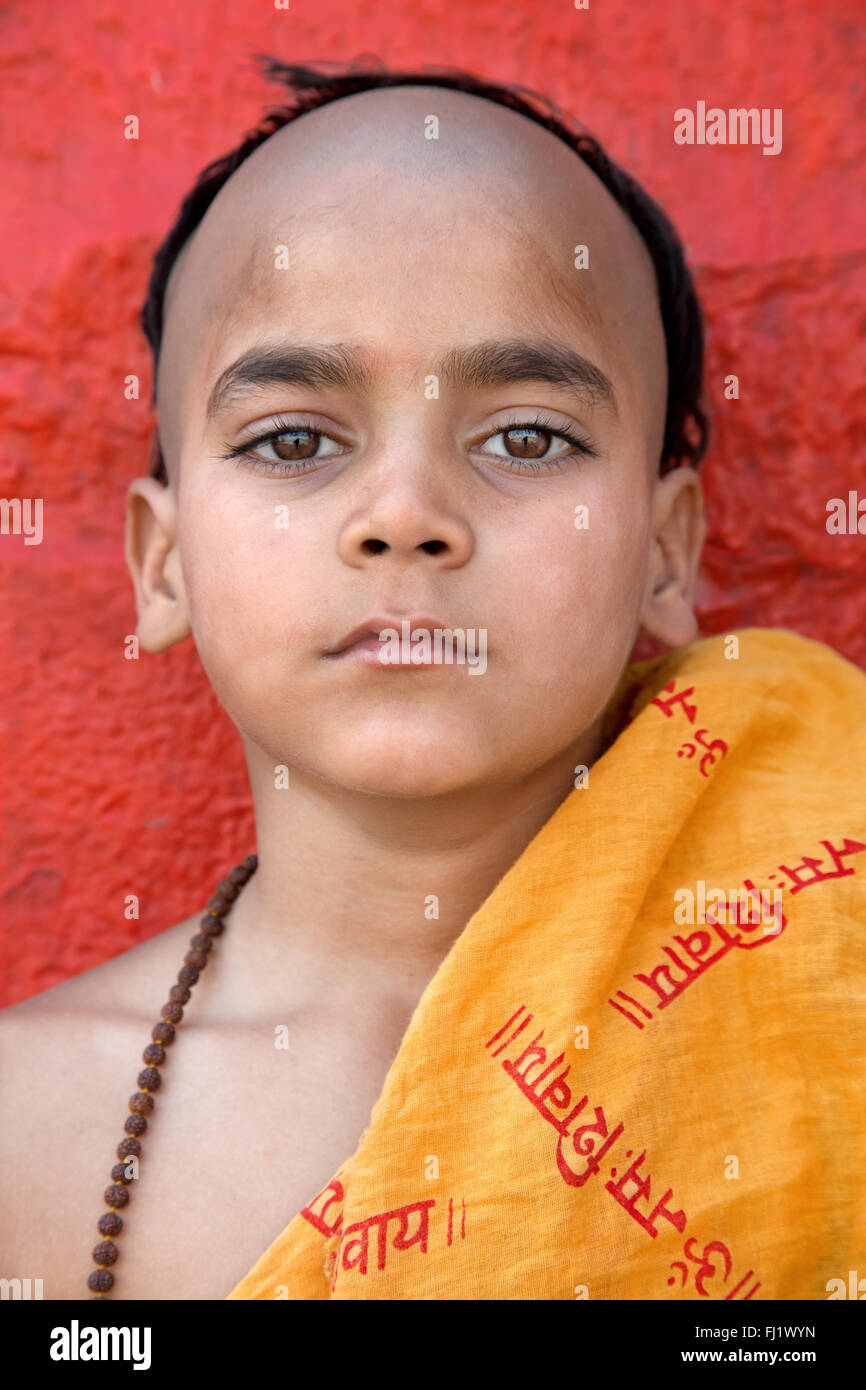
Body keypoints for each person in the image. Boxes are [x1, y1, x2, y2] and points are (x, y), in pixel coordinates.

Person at [1, 59, 863, 1302]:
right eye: (294, 439)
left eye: (526, 436)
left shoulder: (821, 975)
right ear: (165, 563)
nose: (404, 516)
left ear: (664, 551)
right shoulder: (28, 1132)